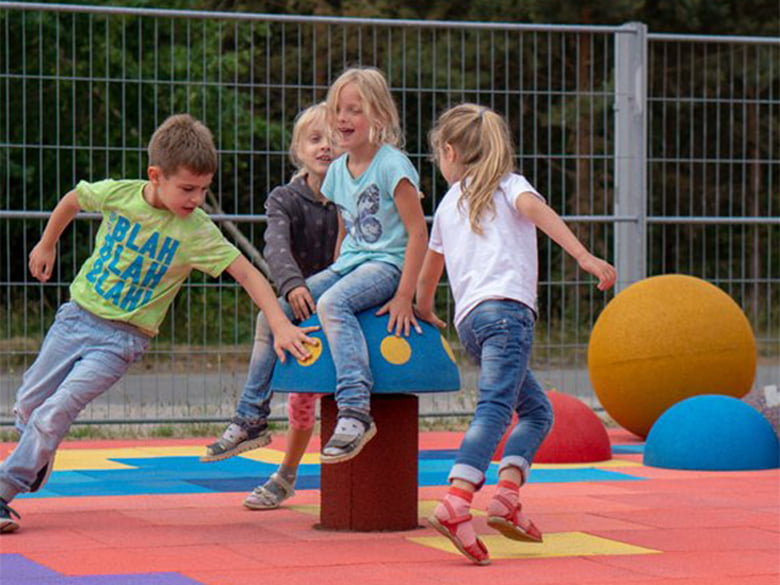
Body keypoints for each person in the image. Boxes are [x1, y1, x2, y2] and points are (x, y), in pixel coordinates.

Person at [0, 114, 317, 534]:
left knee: (57, 410)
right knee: (28, 404)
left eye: (203, 189)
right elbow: (74, 199)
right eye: (187, 188)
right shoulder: (120, 194)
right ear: (156, 176)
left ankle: (5, 489)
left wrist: (279, 323)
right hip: (75, 318)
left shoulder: (196, 231)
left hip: (122, 340)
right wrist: (46, 244)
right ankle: (38, 455)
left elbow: (247, 273)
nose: (197, 199)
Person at [415, 103, 616, 565]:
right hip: (507, 315)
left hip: (472, 324)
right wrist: (583, 256)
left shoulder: (448, 204)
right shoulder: (510, 186)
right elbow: (538, 212)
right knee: (494, 409)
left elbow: (429, 273)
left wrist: (425, 311)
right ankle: (457, 500)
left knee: (538, 412)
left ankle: (506, 495)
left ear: (450, 152)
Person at [203, 66, 427, 466]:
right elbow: (345, 228)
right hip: (352, 265)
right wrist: (331, 272)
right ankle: (251, 415)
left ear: (379, 116)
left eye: (354, 110)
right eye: (338, 109)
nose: (343, 118)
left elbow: (418, 233)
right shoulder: (339, 170)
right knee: (273, 314)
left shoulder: (392, 166)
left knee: (332, 304)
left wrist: (405, 296)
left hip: (387, 265)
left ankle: (355, 409)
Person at [243, 103, 339, 509]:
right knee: (303, 397)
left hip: (349, 303)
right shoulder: (285, 198)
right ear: (298, 150)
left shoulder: (357, 195)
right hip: (304, 309)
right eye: (315, 139)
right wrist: (292, 284)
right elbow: (277, 247)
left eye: (334, 139)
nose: (325, 147)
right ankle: (285, 470)